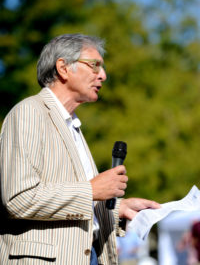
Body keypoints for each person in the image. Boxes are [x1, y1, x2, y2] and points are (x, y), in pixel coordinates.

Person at [0, 34, 160, 265]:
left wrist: (117, 212)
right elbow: (18, 198)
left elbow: (73, 209)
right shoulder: (29, 113)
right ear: (63, 68)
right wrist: (91, 190)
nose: (103, 75)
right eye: (95, 65)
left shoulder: (72, 126)